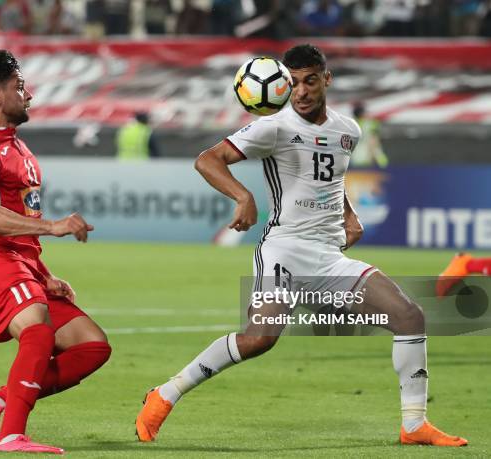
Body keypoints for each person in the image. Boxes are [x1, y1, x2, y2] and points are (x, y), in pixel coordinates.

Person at [135, 44, 467, 447]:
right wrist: (243, 197)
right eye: (293, 83)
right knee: (259, 338)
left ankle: (414, 425)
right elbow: (208, 159)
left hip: (328, 255)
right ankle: (165, 394)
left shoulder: (348, 130)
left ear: (326, 79)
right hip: (284, 249)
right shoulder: (273, 125)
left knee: (409, 316)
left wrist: (347, 213)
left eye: (310, 80)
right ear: (281, 85)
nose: (302, 91)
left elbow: (330, 177)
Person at [0, 50, 111, 454]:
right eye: (19, 86)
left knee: (91, 346)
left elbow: (23, 228)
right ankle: (10, 436)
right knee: (38, 331)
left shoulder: (21, 152)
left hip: (23, 264)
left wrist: (45, 275)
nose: (29, 94)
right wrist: (55, 226)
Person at [350, 101, 388, 168]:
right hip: (367, 158)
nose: (368, 114)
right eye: (365, 112)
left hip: (355, 159)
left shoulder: (351, 125)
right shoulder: (370, 124)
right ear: (362, 114)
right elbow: (373, 141)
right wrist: (377, 157)